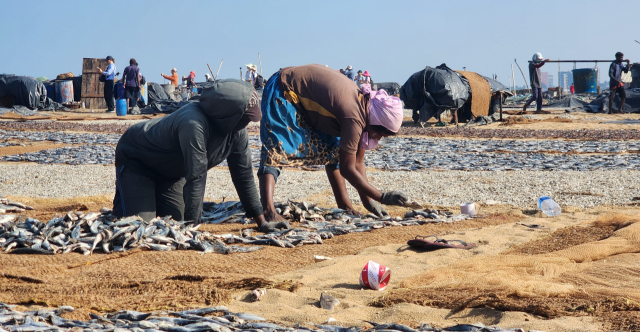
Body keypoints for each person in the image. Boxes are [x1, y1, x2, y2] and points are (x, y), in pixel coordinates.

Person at [112, 79, 289, 233]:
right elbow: (196, 176)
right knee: (143, 227)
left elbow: (243, 175)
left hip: (171, 173)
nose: (247, 123)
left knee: (173, 222)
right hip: (138, 161)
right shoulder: (193, 123)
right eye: (244, 117)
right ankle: (125, 197)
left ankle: (149, 196)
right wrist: (193, 229)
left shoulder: (236, 131)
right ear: (228, 113)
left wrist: (262, 222)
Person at [258, 64, 409, 222]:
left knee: (335, 149)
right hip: (284, 88)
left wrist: (369, 202)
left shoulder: (365, 105)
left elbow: (357, 161)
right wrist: (382, 196)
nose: (377, 139)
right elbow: (347, 168)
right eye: (379, 134)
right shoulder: (354, 116)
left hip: (306, 98)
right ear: (375, 123)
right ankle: (268, 211)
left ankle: (344, 205)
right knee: (277, 147)